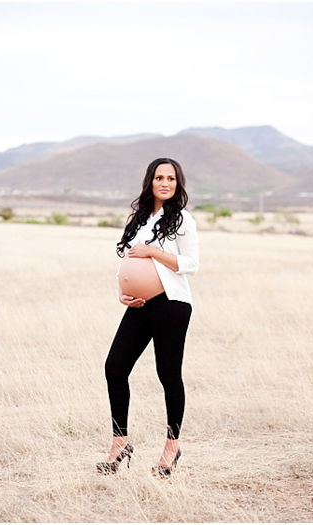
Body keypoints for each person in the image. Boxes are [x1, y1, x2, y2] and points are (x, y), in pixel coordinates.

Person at [96, 157, 199, 478]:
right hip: (138, 305)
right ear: (150, 182)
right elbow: (128, 260)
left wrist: (154, 251)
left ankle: (172, 447)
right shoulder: (140, 219)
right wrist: (122, 291)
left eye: (170, 178)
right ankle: (120, 442)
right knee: (115, 367)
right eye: (159, 178)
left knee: (168, 374)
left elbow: (191, 263)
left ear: (177, 183)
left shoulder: (182, 219)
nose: (164, 183)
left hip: (170, 304)